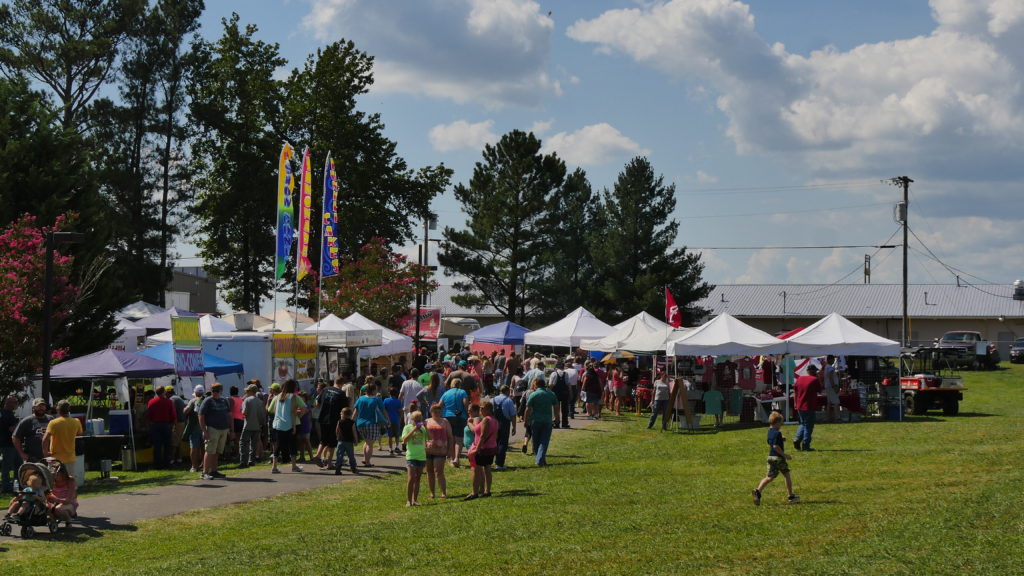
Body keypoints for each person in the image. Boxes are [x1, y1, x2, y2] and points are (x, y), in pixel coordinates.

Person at [752, 411, 799, 505]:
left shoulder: (770, 431)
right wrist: (784, 455)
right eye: (781, 423)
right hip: (778, 458)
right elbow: (775, 446)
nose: (781, 425)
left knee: (769, 477)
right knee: (787, 474)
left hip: (770, 457)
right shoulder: (778, 433)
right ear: (777, 422)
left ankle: (758, 491)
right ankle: (791, 495)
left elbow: (770, 442)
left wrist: (781, 439)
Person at [268, 380, 306, 473]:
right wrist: (299, 416)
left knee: (278, 445)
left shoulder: (277, 397)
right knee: (292, 445)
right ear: (293, 387)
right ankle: (294, 466)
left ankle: (274, 466)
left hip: (278, 424)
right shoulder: (295, 397)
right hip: (292, 424)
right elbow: (304, 408)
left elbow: (270, 410)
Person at [197, 382, 234, 480]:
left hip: (224, 428)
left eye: (217, 390)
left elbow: (230, 415)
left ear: (221, 391)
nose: (215, 392)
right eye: (214, 390)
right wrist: (204, 430)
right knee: (209, 450)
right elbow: (201, 416)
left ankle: (214, 471)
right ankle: (204, 472)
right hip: (212, 428)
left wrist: (232, 430)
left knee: (217, 451)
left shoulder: (224, 400)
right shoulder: (208, 400)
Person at [42, 400, 83, 483]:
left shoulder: (53, 423)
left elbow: (45, 439)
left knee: (54, 482)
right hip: (70, 457)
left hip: (55, 458)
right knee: (69, 482)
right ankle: (71, 496)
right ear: (69, 410)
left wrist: (45, 452)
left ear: (58, 410)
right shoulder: (76, 421)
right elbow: (79, 434)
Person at [466, 400, 498, 500]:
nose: (480, 410)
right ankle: (487, 490)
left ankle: (474, 492)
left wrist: (477, 449)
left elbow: (482, 435)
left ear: (488, 409)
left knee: (476, 469)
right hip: (491, 448)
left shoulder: (486, 420)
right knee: (487, 469)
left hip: (483, 449)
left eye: (482, 408)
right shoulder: (494, 420)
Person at [523, 377, 558, 467]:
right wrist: (557, 417)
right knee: (544, 441)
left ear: (536, 385)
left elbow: (527, 409)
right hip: (547, 420)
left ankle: (539, 459)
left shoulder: (534, 394)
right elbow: (556, 406)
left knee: (536, 440)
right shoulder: (551, 394)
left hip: (535, 420)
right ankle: (541, 460)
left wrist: (526, 420)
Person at [316, 377, 348, 469]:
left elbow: (317, 403)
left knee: (323, 439)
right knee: (332, 442)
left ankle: (318, 455)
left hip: (322, 418)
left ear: (334, 382)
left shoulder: (325, 389)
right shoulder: (341, 393)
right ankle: (329, 463)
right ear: (342, 384)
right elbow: (344, 410)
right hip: (334, 420)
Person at [353, 382, 388, 467]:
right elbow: (383, 410)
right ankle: (368, 462)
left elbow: (355, 411)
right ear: (373, 390)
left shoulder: (360, 399)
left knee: (367, 442)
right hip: (372, 423)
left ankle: (365, 459)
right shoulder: (377, 399)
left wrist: (352, 420)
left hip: (360, 423)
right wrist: (387, 419)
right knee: (370, 444)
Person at [439, 378, 469, 468]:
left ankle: (452, 459)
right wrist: (466, 413)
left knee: (450, 438)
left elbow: (439, 405)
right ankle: (456, 458)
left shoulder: (446, 393)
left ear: (452, 384)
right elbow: (465, 403)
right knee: (459, 439)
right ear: (460, 384)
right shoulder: (463, 392)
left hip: (447, 416)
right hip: (460, 417)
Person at [13, 398, 52, 464]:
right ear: (33, 408)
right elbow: (15, 437)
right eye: (38, 406)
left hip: (49, 458)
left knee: (49, 474)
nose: (41, 408)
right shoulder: (27, 421)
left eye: (43, 406)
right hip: (32, 459)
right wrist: (21, 453)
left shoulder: (51, 419)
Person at [424, 403, 451, 499]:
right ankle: (432, 493)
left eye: (438, 411)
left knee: (439, 472)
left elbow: (450, 436)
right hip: (428, 450)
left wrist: (449, 450)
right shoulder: (426, 421)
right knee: (429, 471)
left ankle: (443, 493)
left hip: (441, 450)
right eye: (434, 411)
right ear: (430, 412)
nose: (436, 413)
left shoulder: (445, 421)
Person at [793, 364, 822, 452]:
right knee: (808, 426)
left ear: (807, 371)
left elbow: (795, 392)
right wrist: (819, 378)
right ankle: (806, 445)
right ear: (814, 372)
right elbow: (819, 390)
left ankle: (797, 438)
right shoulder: (815, 380)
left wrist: (795, 403)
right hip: (809, 405)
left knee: (803, 423)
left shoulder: (800, 378)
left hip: (799, 405)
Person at [401, 410, 427, 506]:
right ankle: (409, 501)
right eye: (415, 419)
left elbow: (429, 438)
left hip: (421, 456)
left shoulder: (423, 429)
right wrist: (414, 429)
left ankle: (415, 499)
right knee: (411, 478)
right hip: (411, 456)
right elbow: (405, 440)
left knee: (418, 478)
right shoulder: (407, 427)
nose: (417, 421)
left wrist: (426, 427)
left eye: (419, 419)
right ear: (411, 419)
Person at [146, 385, 176, 469]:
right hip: (166, 424)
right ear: (164, 392)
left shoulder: (151, 401)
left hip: (155, 424)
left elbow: (149, 414)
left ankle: (157, 463)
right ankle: (167, 463)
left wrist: (150, 423)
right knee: (167, 445)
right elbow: (173, 414)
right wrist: (172, 423)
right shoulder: (169, 401)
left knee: (157, 445)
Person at [491, 385, 517, 470]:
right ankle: (499, 464)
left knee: (493, 443)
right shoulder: (509, 401)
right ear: (507, 391)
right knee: (502, 444)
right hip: (504, 424)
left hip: (493, 423)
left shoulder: (492, 400)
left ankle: (490, 461)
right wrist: (514, 427)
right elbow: (513, 415)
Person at [239, 383, 264, 468]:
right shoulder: (260, 401)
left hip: (247, 425)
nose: (246, 392)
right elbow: (262, 415)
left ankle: (243, 462)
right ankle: (251, 461)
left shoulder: (247, 400)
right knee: (253, 444)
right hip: (257, 426)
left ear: (250, 391)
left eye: (247, 391)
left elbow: (244, 412)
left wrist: (242, 412)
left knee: (243, 443)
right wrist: (260, 424)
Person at [182, 385, 206, 473]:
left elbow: (186, 411)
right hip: (205, 426)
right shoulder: (206, 400)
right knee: (204, 447)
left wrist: (185, 408)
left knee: (194, 447)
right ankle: (205, 464)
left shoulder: (192, 401)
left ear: (195, 393)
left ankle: (194, 466)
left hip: (195, 426)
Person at [1, 396, 22, 493]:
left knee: (18, 465)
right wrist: (21, 425)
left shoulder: (6, 414)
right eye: (15, 402)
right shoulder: (6, 415)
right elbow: (12, 429)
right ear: (8, 403)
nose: (16, 404)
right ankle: (6, 487)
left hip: (11, 444)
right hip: (8, 444)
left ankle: (16, 485)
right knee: (7, 466)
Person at [333, 407, 358, 475]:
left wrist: (337, 436)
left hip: (340, 441)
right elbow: (354, 432)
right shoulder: (352, 422)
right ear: (350, 414)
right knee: (351, 455)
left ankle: (338, 469)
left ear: (343, 414)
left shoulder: (339, 421)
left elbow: (337, 430)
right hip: (349, 441)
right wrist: (356, 440)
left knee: (339, 455)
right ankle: (353, 468)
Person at [167, 385, 186, 466]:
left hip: (177, 423)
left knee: (174, 442)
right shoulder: (178, 398)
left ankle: (171, 460)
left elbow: (173, 412)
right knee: (178, 442)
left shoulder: (172, 399)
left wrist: (171, 423)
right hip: (182, 422)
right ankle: (179, 459)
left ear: (168, 392)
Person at [295, 391, 315, 463]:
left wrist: (295, 411)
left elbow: (303, 411)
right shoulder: (298, 405)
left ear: (305, 398)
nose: (299, 398)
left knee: (306, 440)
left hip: (306, 425)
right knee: (300, 441)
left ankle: (311, 457)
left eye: (301, 397)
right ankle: (302, 457)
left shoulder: (306, 404)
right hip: (299, 425)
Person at [383, 387, 404, 455]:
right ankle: (397, 447)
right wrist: (400, 418)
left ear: (390, 393)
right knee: (397, 435)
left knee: (390, 435)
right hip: (396, 419)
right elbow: (401, 411)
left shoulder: (386, 400)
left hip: (388, 420)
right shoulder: (398, 401)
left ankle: (390, 448)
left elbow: (384, 410)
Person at [823, 355, 841, 422]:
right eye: (833, 360)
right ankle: (837, 418)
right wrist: (834, 386)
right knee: (836, 402)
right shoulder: (830, 368)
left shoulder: (826, 367)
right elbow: (831, 377)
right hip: (831, 387)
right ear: (830, 360)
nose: (833, 361)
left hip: (828, 386)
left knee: (829, 403)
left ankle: (828, 417)